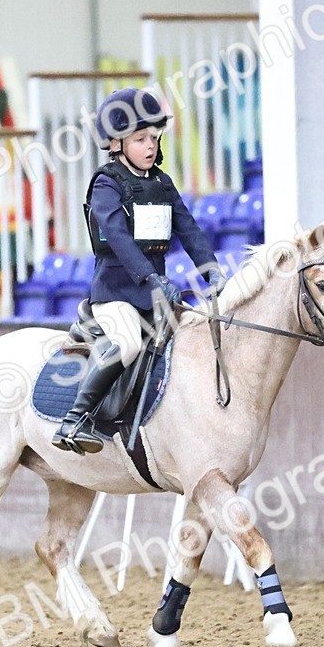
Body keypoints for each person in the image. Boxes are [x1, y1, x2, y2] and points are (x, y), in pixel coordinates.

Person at [51, 88, 227, 455]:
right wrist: (151, 278)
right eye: (140, 139)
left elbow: (188, 228)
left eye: (154, 138)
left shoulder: (162, 183)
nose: (150, 146)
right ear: (117, 144)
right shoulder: (106, 184)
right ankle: (76, 420)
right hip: (116, 293)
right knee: (129, 342)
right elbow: (118, 238)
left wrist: (211, 269)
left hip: (155, 295)